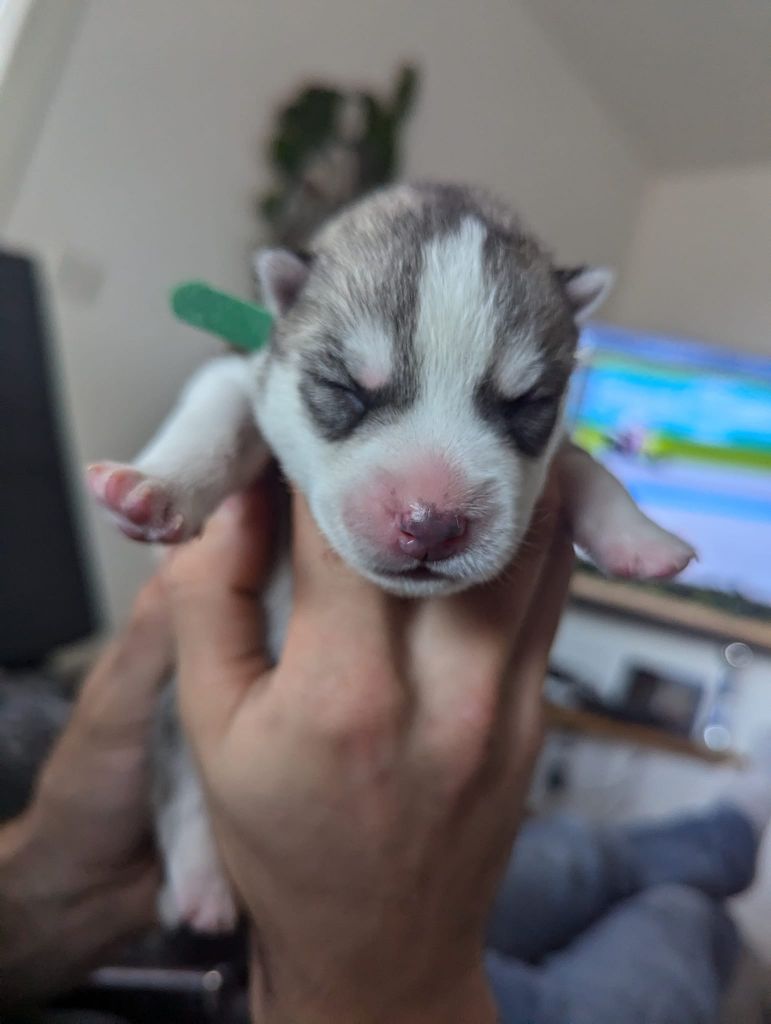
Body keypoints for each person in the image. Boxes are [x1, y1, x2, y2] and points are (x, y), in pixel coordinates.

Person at [0, 474, 761, 1022]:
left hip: (144, 923)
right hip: (287, 987)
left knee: (574, 861)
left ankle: (723, 837)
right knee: (673, 934)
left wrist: (51, 877)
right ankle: (704, 898)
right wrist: (378, 997)